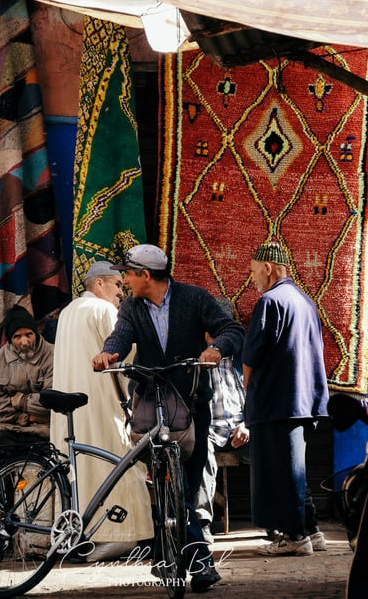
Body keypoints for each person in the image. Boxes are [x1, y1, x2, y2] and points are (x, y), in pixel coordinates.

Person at [93, 244, 245, 593]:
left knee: (189, 487)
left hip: (191, 403)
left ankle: (180, 559)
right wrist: (109, 351)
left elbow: (232, 329)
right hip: (152, 401)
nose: (125, 280)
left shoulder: (194, 298)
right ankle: (191, 561)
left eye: (128, 274)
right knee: (162, 485)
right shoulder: (131, 307)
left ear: (146, 275)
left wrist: (216, 349)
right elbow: (121, 334)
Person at [50, 261, 153, 562]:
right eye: (117, 284)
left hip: (72, 408)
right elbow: (123, 357)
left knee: (80, 470)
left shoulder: (68, 312)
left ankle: (80, 533)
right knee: (115, 464)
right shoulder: (104, 311)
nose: (121, 291)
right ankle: (117, 536)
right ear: (99, 285)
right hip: (100, 405)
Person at [242, 241, 329, 557]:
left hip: (276, 401)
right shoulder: (305, 301)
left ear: (267, 268)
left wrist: (247, 391)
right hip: (305, 399)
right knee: (295, 469)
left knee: (281, 471)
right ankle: (312, 530)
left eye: (254, 272)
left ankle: (294, 537)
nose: (253, 279)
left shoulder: (270, 301)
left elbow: (252, 355)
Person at [195, 300, 250, 543]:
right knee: (201, 452)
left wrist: (247, 423)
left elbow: (254, 393)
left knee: (269, 451)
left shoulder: (240, 360)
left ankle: (275, 521)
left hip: (240, 427)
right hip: (209, 429)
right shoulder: (196, 358)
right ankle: (203, 522)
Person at [0, 305, 54, 446]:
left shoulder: (53, 355)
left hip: (44, 430)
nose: (25, 342)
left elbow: (52, 401)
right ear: (9, 339)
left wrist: (18, 401)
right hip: (6, 429)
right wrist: (28, 417)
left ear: (36, 333)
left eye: (29, 334)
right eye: (17, 336)